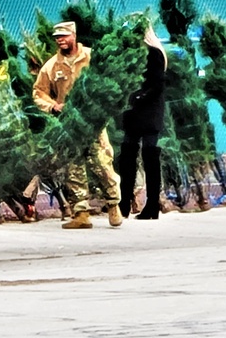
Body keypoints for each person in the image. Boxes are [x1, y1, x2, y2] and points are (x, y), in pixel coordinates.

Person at [33, 21, 124, 229]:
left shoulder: (91, 57)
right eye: (57, 37)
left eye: (64, 36)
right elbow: (39, 92)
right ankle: (81, 212)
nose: (60, 40)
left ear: (74, 35)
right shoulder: (51, 66)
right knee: (74, 168)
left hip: (93, 122)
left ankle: (113, 204)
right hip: (70, 125)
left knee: (102, 164)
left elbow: (109, 81)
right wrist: (53, 106)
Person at [119, 24, 168, 219]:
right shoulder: (129, 54)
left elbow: (157, 85)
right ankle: (124, 202)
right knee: (127, 157)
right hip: (133, 114)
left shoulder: (154, 53)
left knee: (150, 157)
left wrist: (139, 97)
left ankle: (152, 204)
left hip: (149, 113)